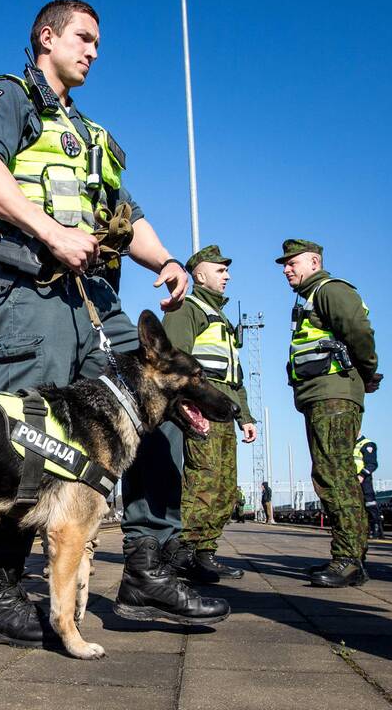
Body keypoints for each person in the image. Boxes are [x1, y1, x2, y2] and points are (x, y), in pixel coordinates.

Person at [0, 0, 228, 646]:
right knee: (24, 439)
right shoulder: (11, 95)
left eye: (99, 43)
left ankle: (149, 568)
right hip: (36, 296)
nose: (94, 51)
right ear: (47, 37)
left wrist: (164, 260)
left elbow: (126, 220)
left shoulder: (95, 137)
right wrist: (51, 231)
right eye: (84, 38)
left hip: (99, 303)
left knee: (160, 405)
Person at [277, 239, 381, 587]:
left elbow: (359, 331)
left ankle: (349, 560)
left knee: (335, 473)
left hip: (334, 395)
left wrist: (365, 372)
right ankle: (348, 557)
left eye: (293, 263)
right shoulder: (308, 298)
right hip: (320, 395)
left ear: (314, 261)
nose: (287, 269)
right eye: (285, 264)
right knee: (328, 471)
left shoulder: (330, 290)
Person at [161, 245, 256, 582]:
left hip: (223, 410)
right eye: (220, 270)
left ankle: (205, 553)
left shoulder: (222, 319)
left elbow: (234, 374)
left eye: (227, 271)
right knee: (203, 480)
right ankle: (182, 553)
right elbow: (174, 363)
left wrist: (245, 416)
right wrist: (187, 408)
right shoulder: (187, 308)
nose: (227, 275)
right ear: (199, 274)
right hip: (201, 410)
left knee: (225, 487)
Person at [354, 436, 384, 539]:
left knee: (369, 503)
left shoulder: (366, 444)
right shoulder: (349, 444)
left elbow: (372, 464)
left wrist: (362, 475)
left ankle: (376, 529)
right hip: (351, 479)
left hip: (363, 479)